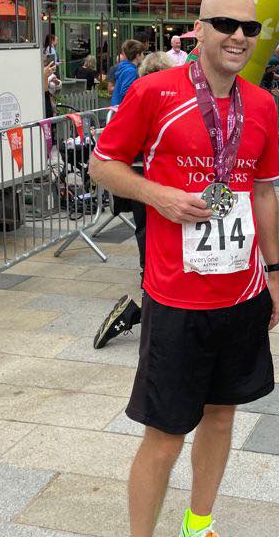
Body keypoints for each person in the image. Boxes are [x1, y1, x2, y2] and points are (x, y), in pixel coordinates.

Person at [88, 0, 279, 537]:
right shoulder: (154, 92)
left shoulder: (263, 103)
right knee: (166, 431)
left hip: (242, 293)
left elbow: (263, 193)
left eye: (250, 27)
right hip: (176, 295)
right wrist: (161, 196)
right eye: (225, 23)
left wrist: (275, 273)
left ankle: (198, 525)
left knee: (222, 415)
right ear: (198, 29)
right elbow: (102, 166)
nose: (239, 36)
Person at [92, 49, 177, 348]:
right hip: (154, 185)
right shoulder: (162, 99)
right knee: (156, 245)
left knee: (149, 240)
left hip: (145, 184)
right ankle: (140, 310)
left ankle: (142, 305)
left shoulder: (142, 97)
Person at [110, 40, 145, 107]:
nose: (143, 56)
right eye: (142, 53)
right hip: (123, 108)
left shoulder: (125, 68)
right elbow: (126, 92)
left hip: (117, 106)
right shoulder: (131, 71)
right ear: (138, 55)